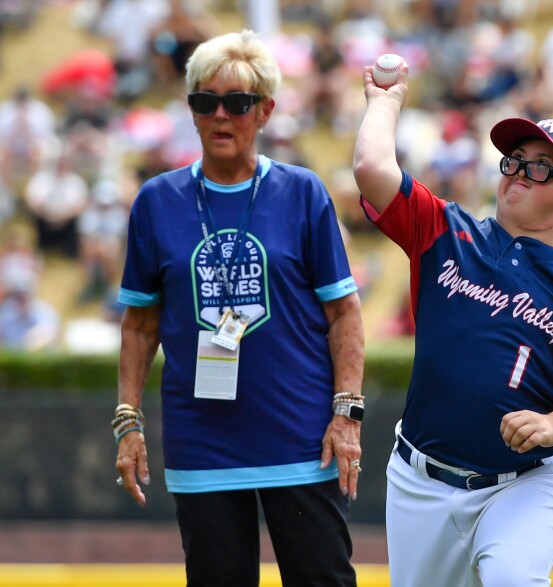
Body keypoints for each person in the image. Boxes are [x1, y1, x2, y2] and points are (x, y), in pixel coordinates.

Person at [353, 60, 553, 587]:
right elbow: (371, 168)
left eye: (542, 167)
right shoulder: (446, 232)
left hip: (523, 484)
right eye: (515, 160)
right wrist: (384, 104)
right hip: (419, 480)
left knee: (511, 580)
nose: (520, 173)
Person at [113, 30, 365, 587]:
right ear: (192, 111)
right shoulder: (156, 201)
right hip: (201, 440)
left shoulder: (303, 193)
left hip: (300, 437)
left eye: (238, 102)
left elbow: (344, 312)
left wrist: (346, 415)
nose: (220, 115)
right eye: (206, 101)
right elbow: (139, 323)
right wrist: (127, 421)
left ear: (266, 111)